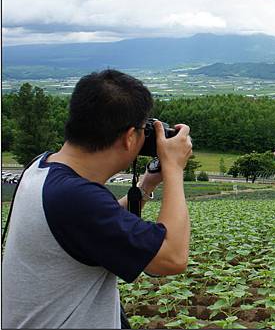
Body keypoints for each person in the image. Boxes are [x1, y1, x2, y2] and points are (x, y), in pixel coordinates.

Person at [1, 69, 193, 328]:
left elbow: (95, 225)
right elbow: (171, 258)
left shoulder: (43, 168)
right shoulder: (74, 197)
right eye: (142, 129)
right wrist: (174, 169)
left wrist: (146, 184)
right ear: (129, 138)